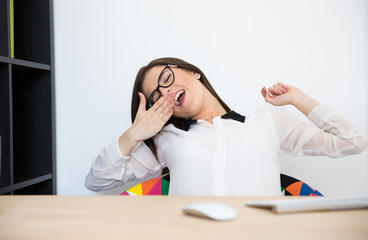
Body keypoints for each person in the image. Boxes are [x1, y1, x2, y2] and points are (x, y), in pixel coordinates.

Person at [85, 57, 367, 195]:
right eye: (157, 97)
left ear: (193, 71)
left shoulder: (266, 122)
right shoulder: (167, 139)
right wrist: (135, 134)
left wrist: (297, 99)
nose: (166, 92)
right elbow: (96, 181)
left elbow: (353, 141)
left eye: (167, 78)